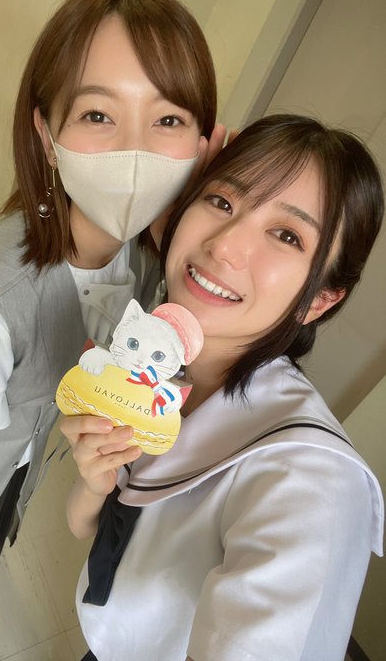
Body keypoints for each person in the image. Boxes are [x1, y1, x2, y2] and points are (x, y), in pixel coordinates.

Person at [0, 0, 221, 660]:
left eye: (168, 119)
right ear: (47, 135)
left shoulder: (140, 261)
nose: (134, 152)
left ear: (201, 144)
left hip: (10, 474)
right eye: (98, 114)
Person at [63, 114, 385, 661]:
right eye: (221, 201)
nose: (225, 246)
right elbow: (87, 528)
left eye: (287, 235)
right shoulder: (157, 368)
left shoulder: (310, 482)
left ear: (320, 300)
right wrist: (96, 478)